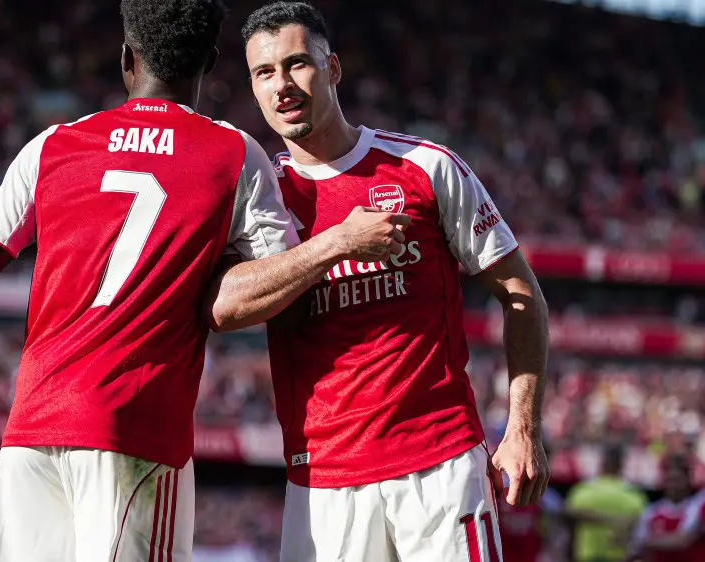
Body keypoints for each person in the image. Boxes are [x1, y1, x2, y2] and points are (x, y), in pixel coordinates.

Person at [0, 1, 408, 561]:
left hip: (30, 435)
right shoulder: (233, 153)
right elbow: (289, 304)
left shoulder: (52, 146)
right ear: (211, 63)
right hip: (136, 437)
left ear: (127, 58)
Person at [235, 2, 551, 560]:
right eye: (264, 72)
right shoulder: (259, 196)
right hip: (322, 480)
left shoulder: (426, 167)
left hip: (440, 466)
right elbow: (223, 306)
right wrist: (337, 243)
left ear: (333, 68)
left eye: (297, 64)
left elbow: (521, 294)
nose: (282, 85)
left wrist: (522, 426)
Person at [565, 445, 648, 562]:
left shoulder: (584, 490)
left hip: (587, 555)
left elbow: (569, 513)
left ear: (601, 464)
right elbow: (640, 527)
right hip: (618, 556)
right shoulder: (634, 495)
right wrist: (614, 521)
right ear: (621, 465)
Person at [628, 454, 696, 562]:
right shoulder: (652, 511)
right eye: (669, 480)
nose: (673, 485)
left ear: (688, 480)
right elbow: (637, 548)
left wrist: (647, 541)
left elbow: (682, 540)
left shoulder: (695, 508)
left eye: (677, 480)